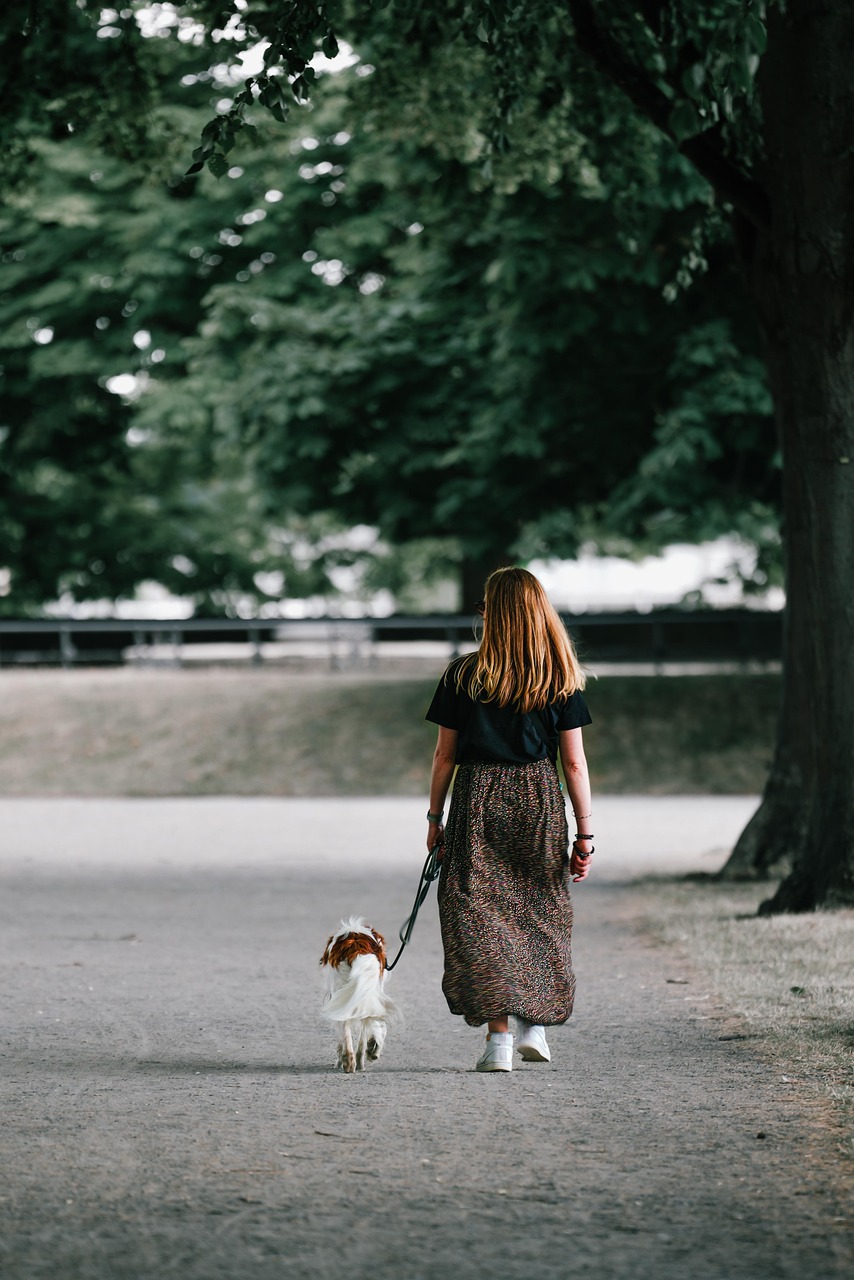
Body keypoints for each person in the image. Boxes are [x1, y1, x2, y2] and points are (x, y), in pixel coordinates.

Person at [424, 566, 593, 1073]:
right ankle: (534, 1027)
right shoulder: (559, 676)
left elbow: (443, 758)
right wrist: (584, 834)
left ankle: (500, 1041)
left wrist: (435, 816)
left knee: (477, 913)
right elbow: (575, 764)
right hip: (538, 798)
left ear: (491, 615)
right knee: (540, 908)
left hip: (477, 797)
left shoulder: (462, 674)